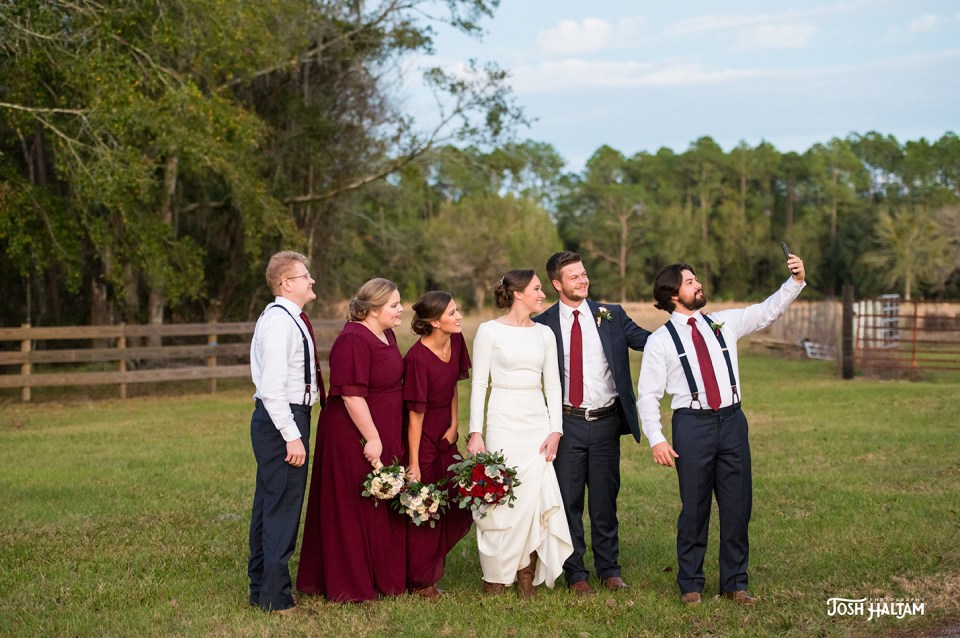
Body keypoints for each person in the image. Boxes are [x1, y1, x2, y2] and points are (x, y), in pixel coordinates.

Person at [637, 254, 807, 606]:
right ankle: (690, 584)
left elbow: (767, 311)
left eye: (696, 279)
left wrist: (795, 282)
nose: (698, 284)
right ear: (673, 295)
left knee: (737, 506)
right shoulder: (661, 341)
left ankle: (735, 583)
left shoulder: (722, 322)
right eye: (690, 282)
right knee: (694, 508)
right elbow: (648, 396)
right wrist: (657, 439)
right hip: (692, 426)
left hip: (732, 422)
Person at [532, 251, 650, 594]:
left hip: (605, 422)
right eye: (574, 277)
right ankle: (576, 573)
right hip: (565, 425)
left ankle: (609, 569)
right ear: (557, 284)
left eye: (583, 274)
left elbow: (650, 341)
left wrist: (686, 327)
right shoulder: (543, 324)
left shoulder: (610, 315)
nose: (583, 280)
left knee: (604, 500)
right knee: (568, 501)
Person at [296, 278, 407, 602]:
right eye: (394, 305)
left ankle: (380, 576)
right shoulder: (353, 339)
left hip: (381, 429)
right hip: (352, 434)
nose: (401, 309)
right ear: (373, 310)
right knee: (353, 504)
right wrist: (372, 438)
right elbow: (352, 396)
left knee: (378, 502)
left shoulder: (386, 334)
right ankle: (349, 582)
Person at [467, 269, 574, 599]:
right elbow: (479, 384)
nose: (543, 294)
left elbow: (553, 384)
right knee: (502, 496)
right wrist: (475, 431)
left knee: (534, 495)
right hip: (502, 417)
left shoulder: (545, 334)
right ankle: (496, 575)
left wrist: (556, 429)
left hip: (536, 420)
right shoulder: (489, 331)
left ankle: (526, 572)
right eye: (537, 289)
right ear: (517, 293)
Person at [247, 250, 325, 614]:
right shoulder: (280, 323)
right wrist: (292, 435)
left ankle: (261, 588)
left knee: (270, 504)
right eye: (305, 276)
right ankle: (275, 597)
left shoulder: (288, 318)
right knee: (282, 507)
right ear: (286, 283)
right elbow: (272, 388)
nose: (312, 280)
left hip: (285, 415)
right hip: (283, 418)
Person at [402, 291, 474, 599]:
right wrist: (414, 463)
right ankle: (422, 582)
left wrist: (455, 424)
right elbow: (414, 416)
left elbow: (454, 385)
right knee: (426, 508)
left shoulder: (456, 341)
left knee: (459, 503)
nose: (459, 317)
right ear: (434, 322)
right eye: (452, 313)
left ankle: (430, 567)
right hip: (423, 440)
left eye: (457, 310)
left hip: (447, 435)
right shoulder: (417, 359)